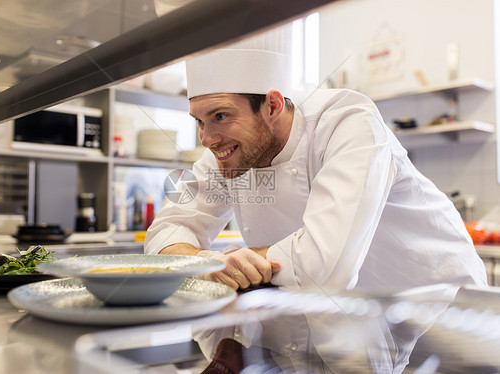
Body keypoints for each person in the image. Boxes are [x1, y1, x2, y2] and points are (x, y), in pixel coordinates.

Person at [144, 25, 488, 295]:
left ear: (273, 106)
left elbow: (327, 266)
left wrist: (235, 263)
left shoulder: (348, 123)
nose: (206, 139)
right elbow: (165, 231)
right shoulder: (227, 154)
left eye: (220, 116)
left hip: (441, 315)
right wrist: (204, 261)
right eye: (200, 121)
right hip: (348, 326)